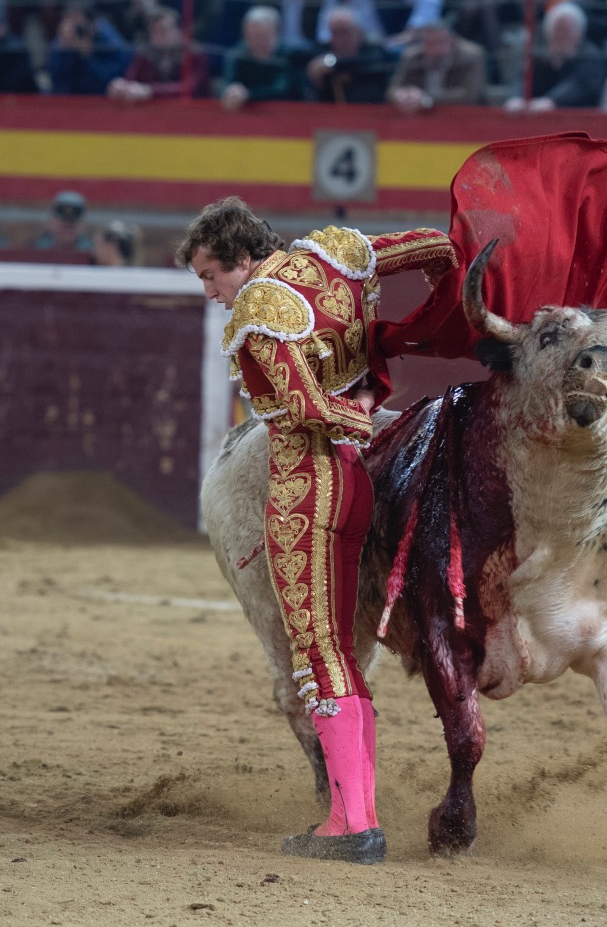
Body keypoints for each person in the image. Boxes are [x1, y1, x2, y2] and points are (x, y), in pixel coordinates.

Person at [175, 199, 384, 864]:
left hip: (305, 492)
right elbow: (424, 248)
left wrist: (356, 418)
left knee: (319, 659)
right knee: (345, 656)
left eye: (212, 276)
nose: (211, 293)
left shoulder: (258, 306)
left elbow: (303, 407)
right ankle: (360, 810)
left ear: (240, 258)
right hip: (355, 486)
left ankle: (350, 824)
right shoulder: (332, 263)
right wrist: (374, 401)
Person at [504, 0, 607, 112]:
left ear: (579, 33)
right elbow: (521, 79)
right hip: (539, 120)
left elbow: (580, 84)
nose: (560, 35)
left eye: (566, 30)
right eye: (556, 30)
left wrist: (552, 101)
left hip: (580, 120)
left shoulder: (590, 55)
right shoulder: (540, 57)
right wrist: (516, 98)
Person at [107, 5, 211, 102]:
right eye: (154, 31)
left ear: (178, 31)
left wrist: (150, 91)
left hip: (192, 112)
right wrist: (123, 87)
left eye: (164, 30)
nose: (160, 36)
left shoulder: (195, 54)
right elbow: (132, 80)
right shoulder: (144, 55)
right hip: (152, 113)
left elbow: (190, 88)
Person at [313, 0, 444, 52]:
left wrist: (412, 31)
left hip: (389, 44)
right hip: (354, 47)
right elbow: (325, 25)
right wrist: (332, 42)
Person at [387, 21, 487, 111]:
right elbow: (394, 89)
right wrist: (402, 95)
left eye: (440, 42)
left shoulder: (471, 56)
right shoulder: (412, 56)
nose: (435, 48)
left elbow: (470, 95)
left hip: (461, 114)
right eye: (429, 43)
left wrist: (426, 99)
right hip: (419, 114)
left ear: (452, 40)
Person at [305, 5, 396, 102]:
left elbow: (370, 59)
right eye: (335, 33)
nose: (341, 39)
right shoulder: (322, 49)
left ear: (359, 33)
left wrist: (332, 63)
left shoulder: (373, 50)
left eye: (345, 32)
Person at [220, 5, 299, 109]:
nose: (255, 41)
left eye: (261, 36)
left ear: (275, 33)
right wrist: (231, 91)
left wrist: (248, 94)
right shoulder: (237, 55)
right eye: (249, 36)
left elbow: (282, 89)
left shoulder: (289, 55)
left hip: (285, 113)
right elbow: (228, 84)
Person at [47, 0, 132, 94]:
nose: (73, 29)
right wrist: (62, 50)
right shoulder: (63, 40)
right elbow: (56, 82)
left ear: (92, 25)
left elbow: (111, 83)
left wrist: (87, 55)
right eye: (69, 21)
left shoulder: (110, 41)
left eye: (78, 25)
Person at [31, 191, 95, 254]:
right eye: (63, 226)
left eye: (72, 227)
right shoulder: (33, 251)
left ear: (83, 225)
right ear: (50, 222)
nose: (67, 229)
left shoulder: (95, 254)